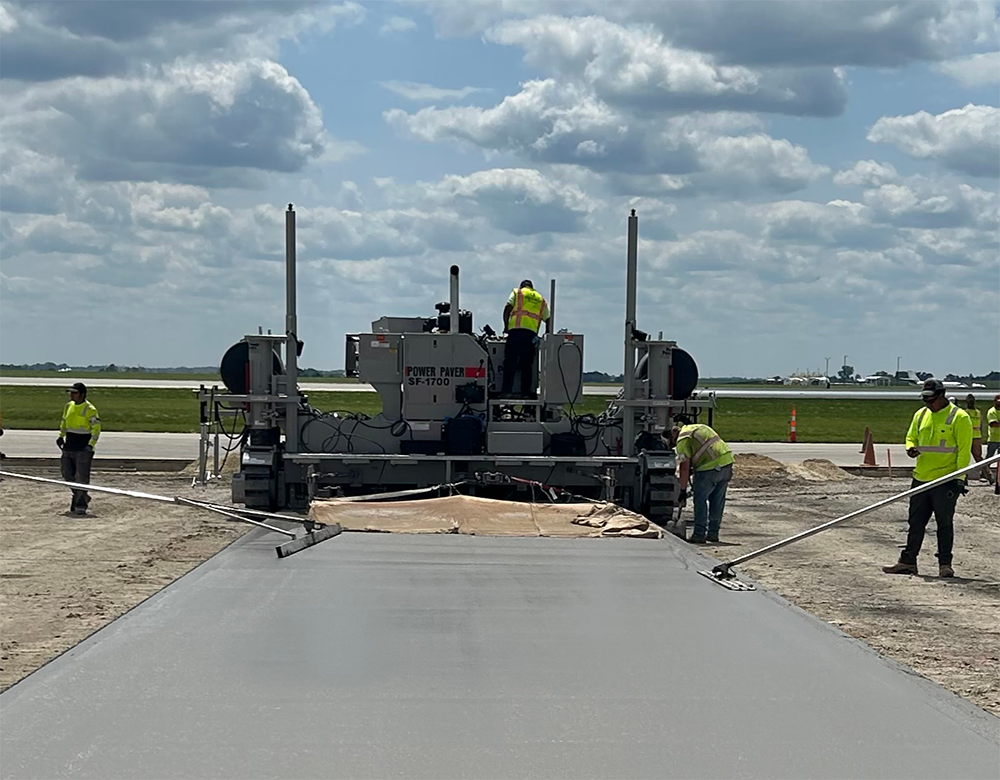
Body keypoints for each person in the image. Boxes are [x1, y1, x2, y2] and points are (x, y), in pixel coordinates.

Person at [883, 379, 972, 578]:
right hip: (921, 477)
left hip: (945, 479)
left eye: (931, 400)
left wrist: (960, 478)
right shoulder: (921, 414)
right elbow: (910, 436)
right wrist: (910, 448)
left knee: (944, 522)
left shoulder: (959, 417)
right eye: (925, 400)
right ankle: (908, 561)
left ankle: (945, 564)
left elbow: (964, 451)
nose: (928, 404)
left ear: (941, 396)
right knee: (916, 522)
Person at [668, 415, 734, 545]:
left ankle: (699, 534)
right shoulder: (700, 427)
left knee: (700, 500)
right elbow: (703, 448)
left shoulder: (682, 440)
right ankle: (713, 533)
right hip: (726, 463)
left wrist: (682, 490)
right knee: (717, 501)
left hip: (708, 469)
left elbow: (684, 467)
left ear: (673, 435)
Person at [57, 382, 101, 516]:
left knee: (81, 477)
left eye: (74, 393)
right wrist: (61, 436)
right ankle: (80, 495)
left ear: (82, 394)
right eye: (71, 392)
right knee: (66, 473)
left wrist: (91, 444)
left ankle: (81, 504)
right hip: (69, 444)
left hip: (83, 447)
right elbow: (64, 422)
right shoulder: (68, 406)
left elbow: (96, 428)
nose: (71, 395)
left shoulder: (90, 409)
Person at [501, 280, 550, 398]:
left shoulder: (518, 293)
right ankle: (526, 393)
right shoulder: (540, 299)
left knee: (510, 363)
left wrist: (506, 326)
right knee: (527, 366)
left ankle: (507, 391)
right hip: (531, 335)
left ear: (522, 286)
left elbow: (508, 307)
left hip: (515, 332)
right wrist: (546, 335)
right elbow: (548, 319)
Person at [964, 394, 992, 483]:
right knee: (978, 458)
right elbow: (981, 425)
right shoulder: (978, 412)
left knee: (964, 458)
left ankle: (963, 478)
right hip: (977, 436)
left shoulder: (965, 413)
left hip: (968, 437)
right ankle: (989, 476)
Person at [988, 394, 1000, 461]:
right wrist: (997, 423)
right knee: (989, 458)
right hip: (993, 439)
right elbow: (993, 424)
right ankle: (985, 471)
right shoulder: (991, 411)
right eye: (998, 402)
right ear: (995, 402)